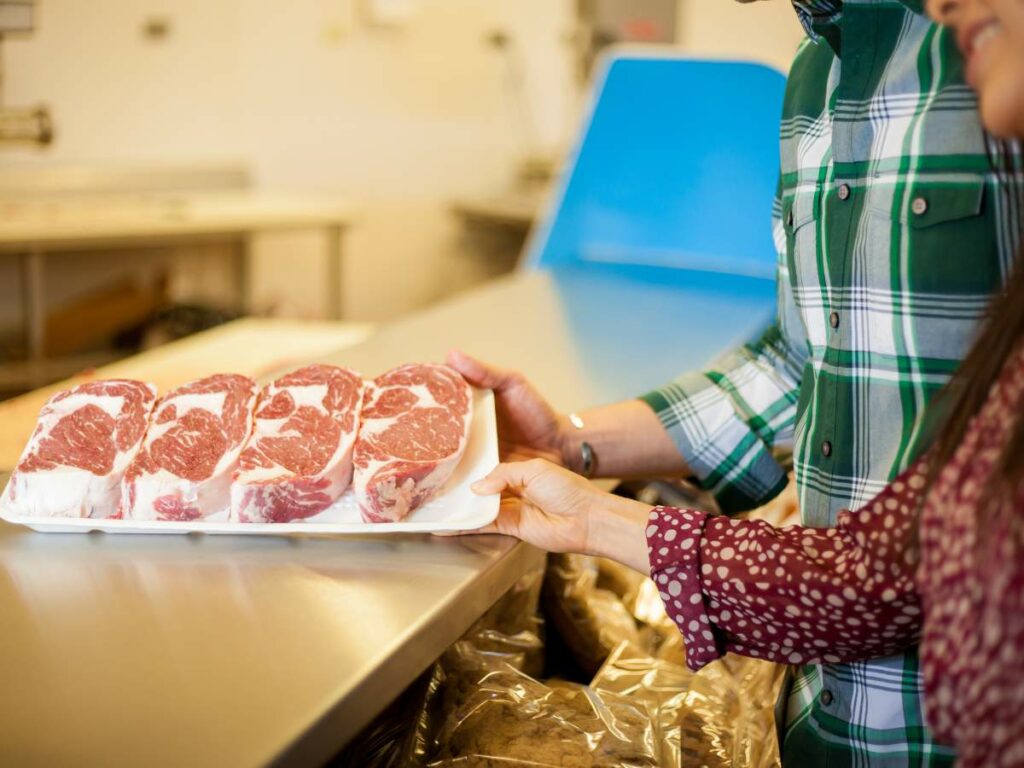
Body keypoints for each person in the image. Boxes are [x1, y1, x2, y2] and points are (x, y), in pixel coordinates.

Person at [448, 2, 1024, 765]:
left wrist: (601, 523)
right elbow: (803, 362)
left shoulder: (991, 60)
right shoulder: (815, 73)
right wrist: (573, 444)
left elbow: (892, 578)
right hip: (822, 710)